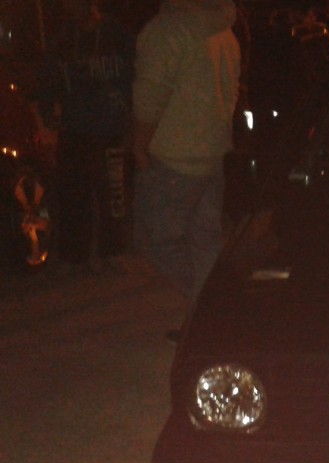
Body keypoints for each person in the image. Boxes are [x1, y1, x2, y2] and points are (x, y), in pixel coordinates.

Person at [131, 0, 240, 337]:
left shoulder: (168, 31)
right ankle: (209, 320)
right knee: (205, 240)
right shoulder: (224, 30)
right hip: (212, 151)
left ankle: (211, 307)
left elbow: (150, 96)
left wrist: (139, 142)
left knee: (154, 239)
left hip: (173, 155)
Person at [31, 0, 134, 272]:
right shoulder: (63, 39)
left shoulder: (117, 35)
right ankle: (74, 255)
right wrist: (47, 112)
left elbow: (134, 77)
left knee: (112, 195)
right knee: (73, 195)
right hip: (75, 128)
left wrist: (132, 119)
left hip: (111, 128)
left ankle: (112, 251)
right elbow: (47, 78)